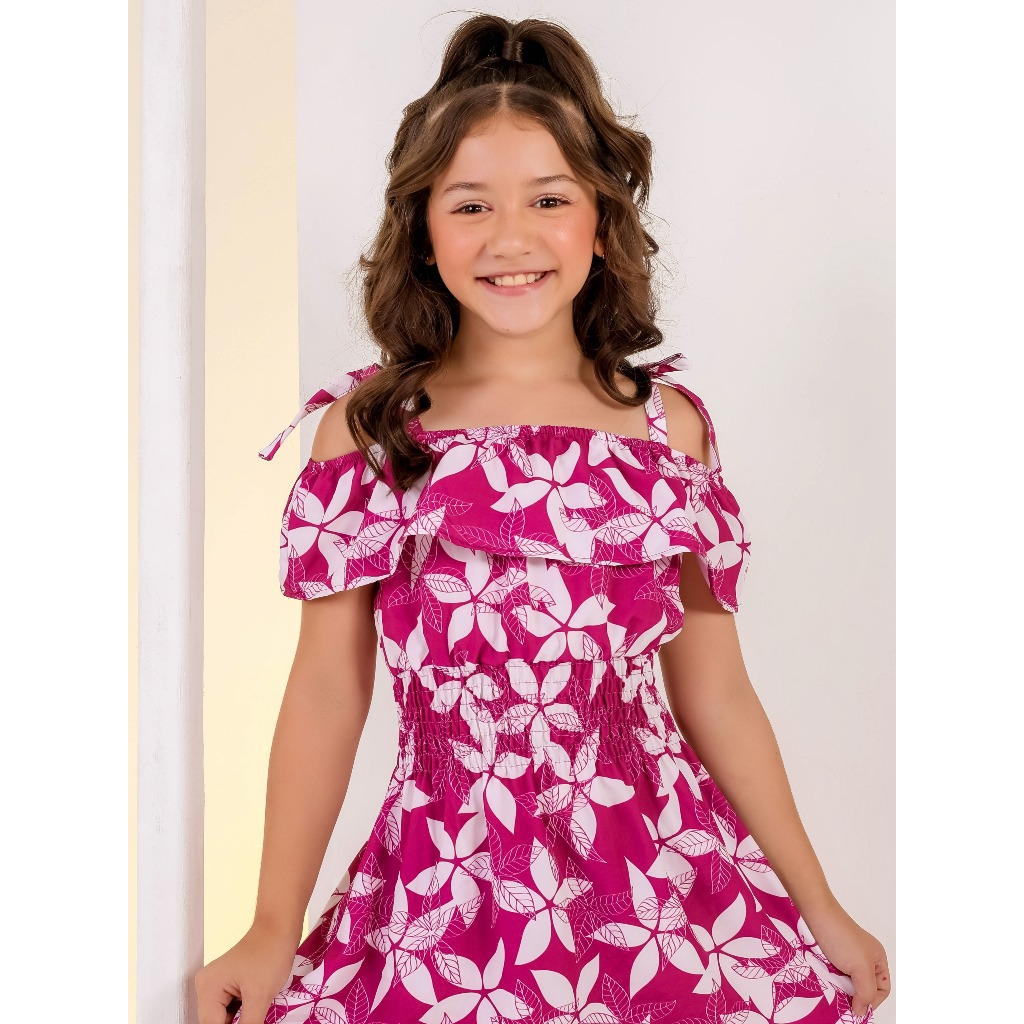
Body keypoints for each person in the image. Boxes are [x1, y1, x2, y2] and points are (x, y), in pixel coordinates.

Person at [195, 14, 891, 1024]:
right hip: (442, 887)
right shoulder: (371, 430)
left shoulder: (669, 431)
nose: (510, 237)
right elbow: (325, 692)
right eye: (470, 204)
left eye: (549, 199)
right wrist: (272, 924)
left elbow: (719, 693)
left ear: (601, 221)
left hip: (656, 885)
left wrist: (819, 905)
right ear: (423, 231)